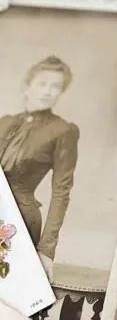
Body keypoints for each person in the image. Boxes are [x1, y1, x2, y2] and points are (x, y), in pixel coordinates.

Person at [0, 56, 79, 279]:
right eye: (42, 83)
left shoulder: (63, 131)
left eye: (56, 87)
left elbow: (61, 193)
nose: (48, 91)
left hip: (19, 222)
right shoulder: (3, 122)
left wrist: (46, 250)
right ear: (28, 86)